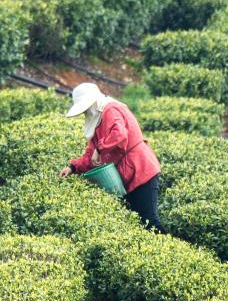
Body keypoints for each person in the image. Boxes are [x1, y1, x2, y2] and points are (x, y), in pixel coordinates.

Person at [59, 82, 164, 231]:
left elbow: (119, 134)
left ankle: (173, 246)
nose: (85, 113)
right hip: (128, 176)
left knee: (150, 222)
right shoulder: (97, 119)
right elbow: (91, 154)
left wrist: (100, 149)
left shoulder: (110, 109)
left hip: (141, 170)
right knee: (139, 224)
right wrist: (73, 167)